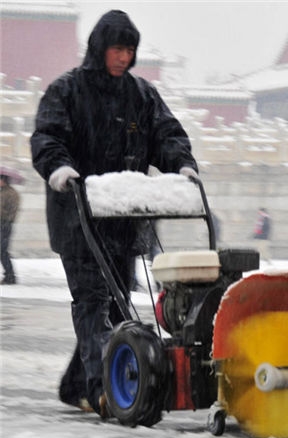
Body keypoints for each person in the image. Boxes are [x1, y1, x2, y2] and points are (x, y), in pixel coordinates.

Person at [30, 10, 199, 417]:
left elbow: (166, 134)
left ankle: (76, 384)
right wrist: (59, 169)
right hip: (79, 217)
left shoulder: (141, 96)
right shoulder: (67, 91)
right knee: (91, 299)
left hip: (123, 218)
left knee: (116, 304)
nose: (123, 57)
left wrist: (182, 164)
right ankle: (99, 388)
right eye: (116, 49)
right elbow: (46, 136)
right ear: (99, 48)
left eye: (129, 50)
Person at [0, 174, 20, 285]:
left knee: (2, 250)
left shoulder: (11, 193)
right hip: (2, 223)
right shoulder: (2, 192)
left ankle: (10, 276)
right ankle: (9, 275)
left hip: (5, 224)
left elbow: (12, 211)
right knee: (2, 251)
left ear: (3, 180)